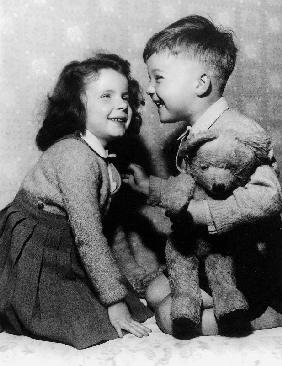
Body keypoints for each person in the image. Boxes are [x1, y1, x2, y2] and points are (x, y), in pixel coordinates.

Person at [123, 15, 282, 338]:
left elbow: (269, 198)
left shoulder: (237, 133)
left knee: (168, 318)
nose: (150, 90)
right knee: (154, 293)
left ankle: (262, 314)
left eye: (159, 78)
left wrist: (203, 214)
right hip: (207, 252)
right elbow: (191, 188)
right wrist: (149, 187)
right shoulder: (197, 133)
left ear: (201, 84)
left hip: (241, 266)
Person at [0, 53, 153, 349]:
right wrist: (114, 301)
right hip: (33, 244)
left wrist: (130, 281)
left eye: (125, 97)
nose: (122, 104)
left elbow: (107, 231)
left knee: (129, 308)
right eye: (106, 96)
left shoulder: (104, 161)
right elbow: (89, 236)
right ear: (77, 108)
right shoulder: (75, 157)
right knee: (87, 323)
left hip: (67, 241)